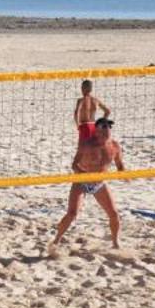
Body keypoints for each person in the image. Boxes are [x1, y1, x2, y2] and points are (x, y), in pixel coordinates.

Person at [51, 116, 124, 251]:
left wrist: (124, 175)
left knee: (114, 214)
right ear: (96, 130)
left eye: (109, 126)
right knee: (72, 214)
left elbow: (120, 166)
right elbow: (74, 165)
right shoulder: (87, 145)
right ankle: (56, 239)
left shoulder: (115, 146)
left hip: (99, 184)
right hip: (81, 182)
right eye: (104, 126)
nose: (107, 128)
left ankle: (115, 243)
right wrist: (84, 175)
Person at [73, 79, 109, 151]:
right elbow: (107, 111)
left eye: (81, 87)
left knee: (82, 151)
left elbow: (76, 113)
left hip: (84, 126)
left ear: (83, 88)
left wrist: (78, 125)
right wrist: (100, 124)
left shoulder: (81, 100)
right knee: (93, 149)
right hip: (94, 126)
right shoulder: (95, 100)